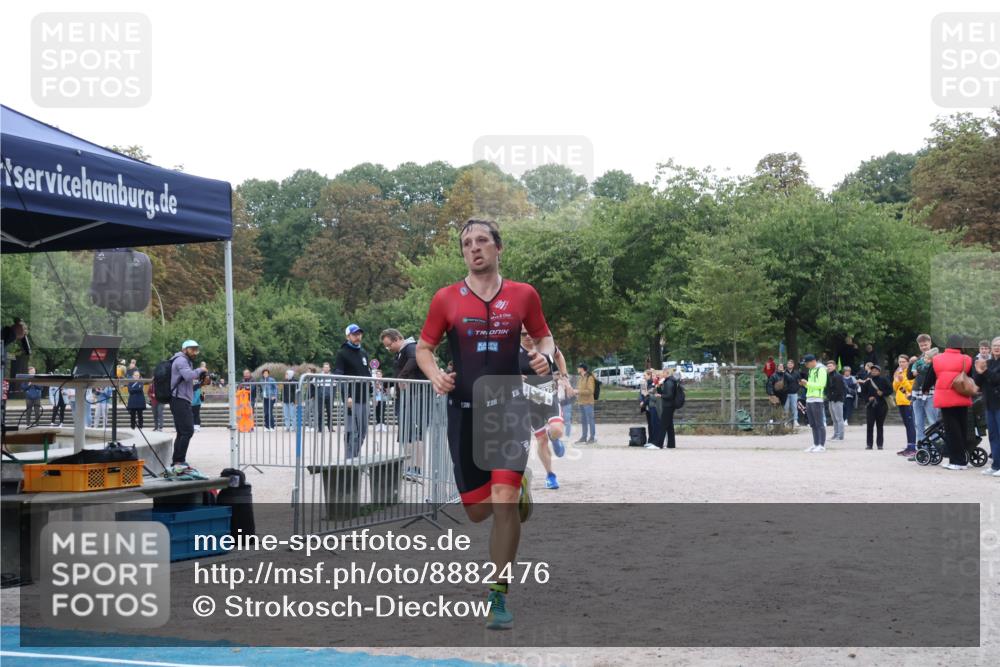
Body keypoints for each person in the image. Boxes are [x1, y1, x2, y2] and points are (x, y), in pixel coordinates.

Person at [415, 217, 553, 630]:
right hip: (464, 411)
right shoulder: (445, 299)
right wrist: (435, 373)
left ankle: (498, 592)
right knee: (478, 511)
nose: (473, 248)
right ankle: (518, 485)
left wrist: (546, 354)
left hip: (508, 410)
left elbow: (544, 337)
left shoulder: (523, 295)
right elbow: (424, 348)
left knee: (503, 499)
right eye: (466, 243)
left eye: (481, 241)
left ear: (497, 248)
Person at [519, 328, 568, 487]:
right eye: (523, 334)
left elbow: (559, 355)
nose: (527, 336)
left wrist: (564, 376)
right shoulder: (513, 352)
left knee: (557, 430)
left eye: (530, 333)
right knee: (541, 440)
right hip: (530, 401)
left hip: (549, 396)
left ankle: (555, 437)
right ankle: (550, 475)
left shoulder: (545, 346)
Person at [923, 335, 975, 470]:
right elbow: (972, 378)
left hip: (945, 400)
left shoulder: (937, 359)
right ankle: (964, 458)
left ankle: (956, 461)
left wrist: (925, 389)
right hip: (963, 397)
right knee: (962, 428)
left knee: (952, 431)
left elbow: (929, 378)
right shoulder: (967, 359)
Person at [381, 328, 428, 476]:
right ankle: (409, 467)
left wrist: (401, 377)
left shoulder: (411, 347)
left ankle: (417, 468)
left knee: (416, 432)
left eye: (389, 345)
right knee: (406, 433)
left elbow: (414, 360)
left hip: (416, 396)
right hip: (405, 397)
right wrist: (386, 384)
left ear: (396, 339)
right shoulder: (401, 352)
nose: (388, 349)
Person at [166, 340, 208, 476]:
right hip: (179, 400)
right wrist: (201, 369)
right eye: (192, 349)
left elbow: (188, 384)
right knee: (188, 430)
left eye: (196, 350)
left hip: (181, 399)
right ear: (185, 349)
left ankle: (177, 461)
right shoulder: (180, 360)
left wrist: (201, 384)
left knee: (182, 431)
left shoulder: (186, 361)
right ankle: (179, 461)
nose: (195, 352)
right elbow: (189, 375)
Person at [334, 324, 371, 458]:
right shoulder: (342, 353)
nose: (358, 336)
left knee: (363, 431)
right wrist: (346, 396)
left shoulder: (364, 353)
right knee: (352, 431)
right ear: (348, 336)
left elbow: (367, 374)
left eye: (359, 334)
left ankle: (354, 457)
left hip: (364, 397)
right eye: (355, 334)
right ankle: (349, 460)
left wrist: (372, 391)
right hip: (352, 399)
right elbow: (339, 376)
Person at [972, 336, 1000, 477]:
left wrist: (985, 371)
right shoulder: (988, 362)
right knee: (993, 436)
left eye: (999, 345)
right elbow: (978, 383)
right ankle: (995, 465)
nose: (996, 347)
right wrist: (978, 371)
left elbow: (996, 380)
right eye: (995, 345)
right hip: (989, 404)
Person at [908, 335, 940, 447]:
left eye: (925, 345)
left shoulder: (937, 357)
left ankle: (936, 448)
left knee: (933, 421)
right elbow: (910, 377)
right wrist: (911, 364)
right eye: (921, 346)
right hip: (917, 394)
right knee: (918, 423)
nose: (924, 347)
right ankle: (922, 449)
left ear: (930, 343)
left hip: (931, 393)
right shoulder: (918, 359)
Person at [800, 355, 828, 452]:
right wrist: (805, 384)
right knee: (813, 423)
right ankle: (816, 444)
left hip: (817, 399)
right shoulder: (811, 370)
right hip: (809, 398)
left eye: (807, 363)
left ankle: (821, 445)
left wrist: (807, 384)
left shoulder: (821, 369)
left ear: (813, 361)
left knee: (819, 423)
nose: (806, 365)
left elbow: (821, 385)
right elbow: (810, 386)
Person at [860, 365, 891, 450]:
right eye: (872, 370)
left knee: (880, 426)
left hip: (882, 406)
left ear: (879, 372)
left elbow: (890, 390)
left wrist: (883, 393)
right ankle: (869, 444)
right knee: (870, 426)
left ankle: (880, 444)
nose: (874, 372)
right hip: (870, 406)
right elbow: (862, 393)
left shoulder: (884, 380)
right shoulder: (868, 381)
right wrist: (868, 398)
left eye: (876, 370)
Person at [892, 355, 917, 458]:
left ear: (908, 362)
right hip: (900, 401)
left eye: (903, 362)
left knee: (911, 425)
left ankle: (912, 448)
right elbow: (895, 387)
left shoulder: (910, 372)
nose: (901, 364)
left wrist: (902, 380)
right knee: (907, 425)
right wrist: (898, 380)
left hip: (908, 402)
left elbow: (911, 388)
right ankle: (909, 446)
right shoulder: (899, 372)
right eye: (900, 362)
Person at [651, 368, 680, 449]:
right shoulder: (668, 381)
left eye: (663, 373)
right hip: (669, 405)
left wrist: (661, 396)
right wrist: (659, 386)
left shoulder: (670, 382)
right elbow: (663, 392)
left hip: (668, 406)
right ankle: (671, 444)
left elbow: (669, 395)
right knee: (669, 426)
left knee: (663, 425)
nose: (662, 375)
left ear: (667, 373)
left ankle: (659, 444)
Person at [575, 363, 597, 443]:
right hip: (581, 402)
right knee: (583, 421)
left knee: (590, 420)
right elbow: (580, 389)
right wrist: (575, 392)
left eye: (578, 367)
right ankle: (584, 437)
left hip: (588, 402)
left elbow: (591, 391)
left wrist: (578, 391)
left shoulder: (589, 377)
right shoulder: (580, 378)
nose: (577, 369)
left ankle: (592, 438)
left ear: (582, 369)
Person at [824, 360, 846, 441]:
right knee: (834, 419)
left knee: (839, 418)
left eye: (830, 366)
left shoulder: (838, 376)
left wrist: (833, 397)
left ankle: (840, 436)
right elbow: (827, 388)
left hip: (837, 400)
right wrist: (828, 396)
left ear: (834, 366)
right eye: (828, 366)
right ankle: (836, 434)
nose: (829, 367)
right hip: (831, 399)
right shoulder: (828, 375)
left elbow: (840, 389)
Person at [782, 359, 800, 429]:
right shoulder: (783, 373)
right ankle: (786, 421)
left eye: (791, 364)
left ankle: (795, 420)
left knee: (794, 407)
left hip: (794, 393)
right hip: (785, 393)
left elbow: (799, 382)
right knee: (785, 408)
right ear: (787, 365)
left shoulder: (796, 373)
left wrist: (796, 388)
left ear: (793, 365)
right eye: (788, 364)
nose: (790, 365)